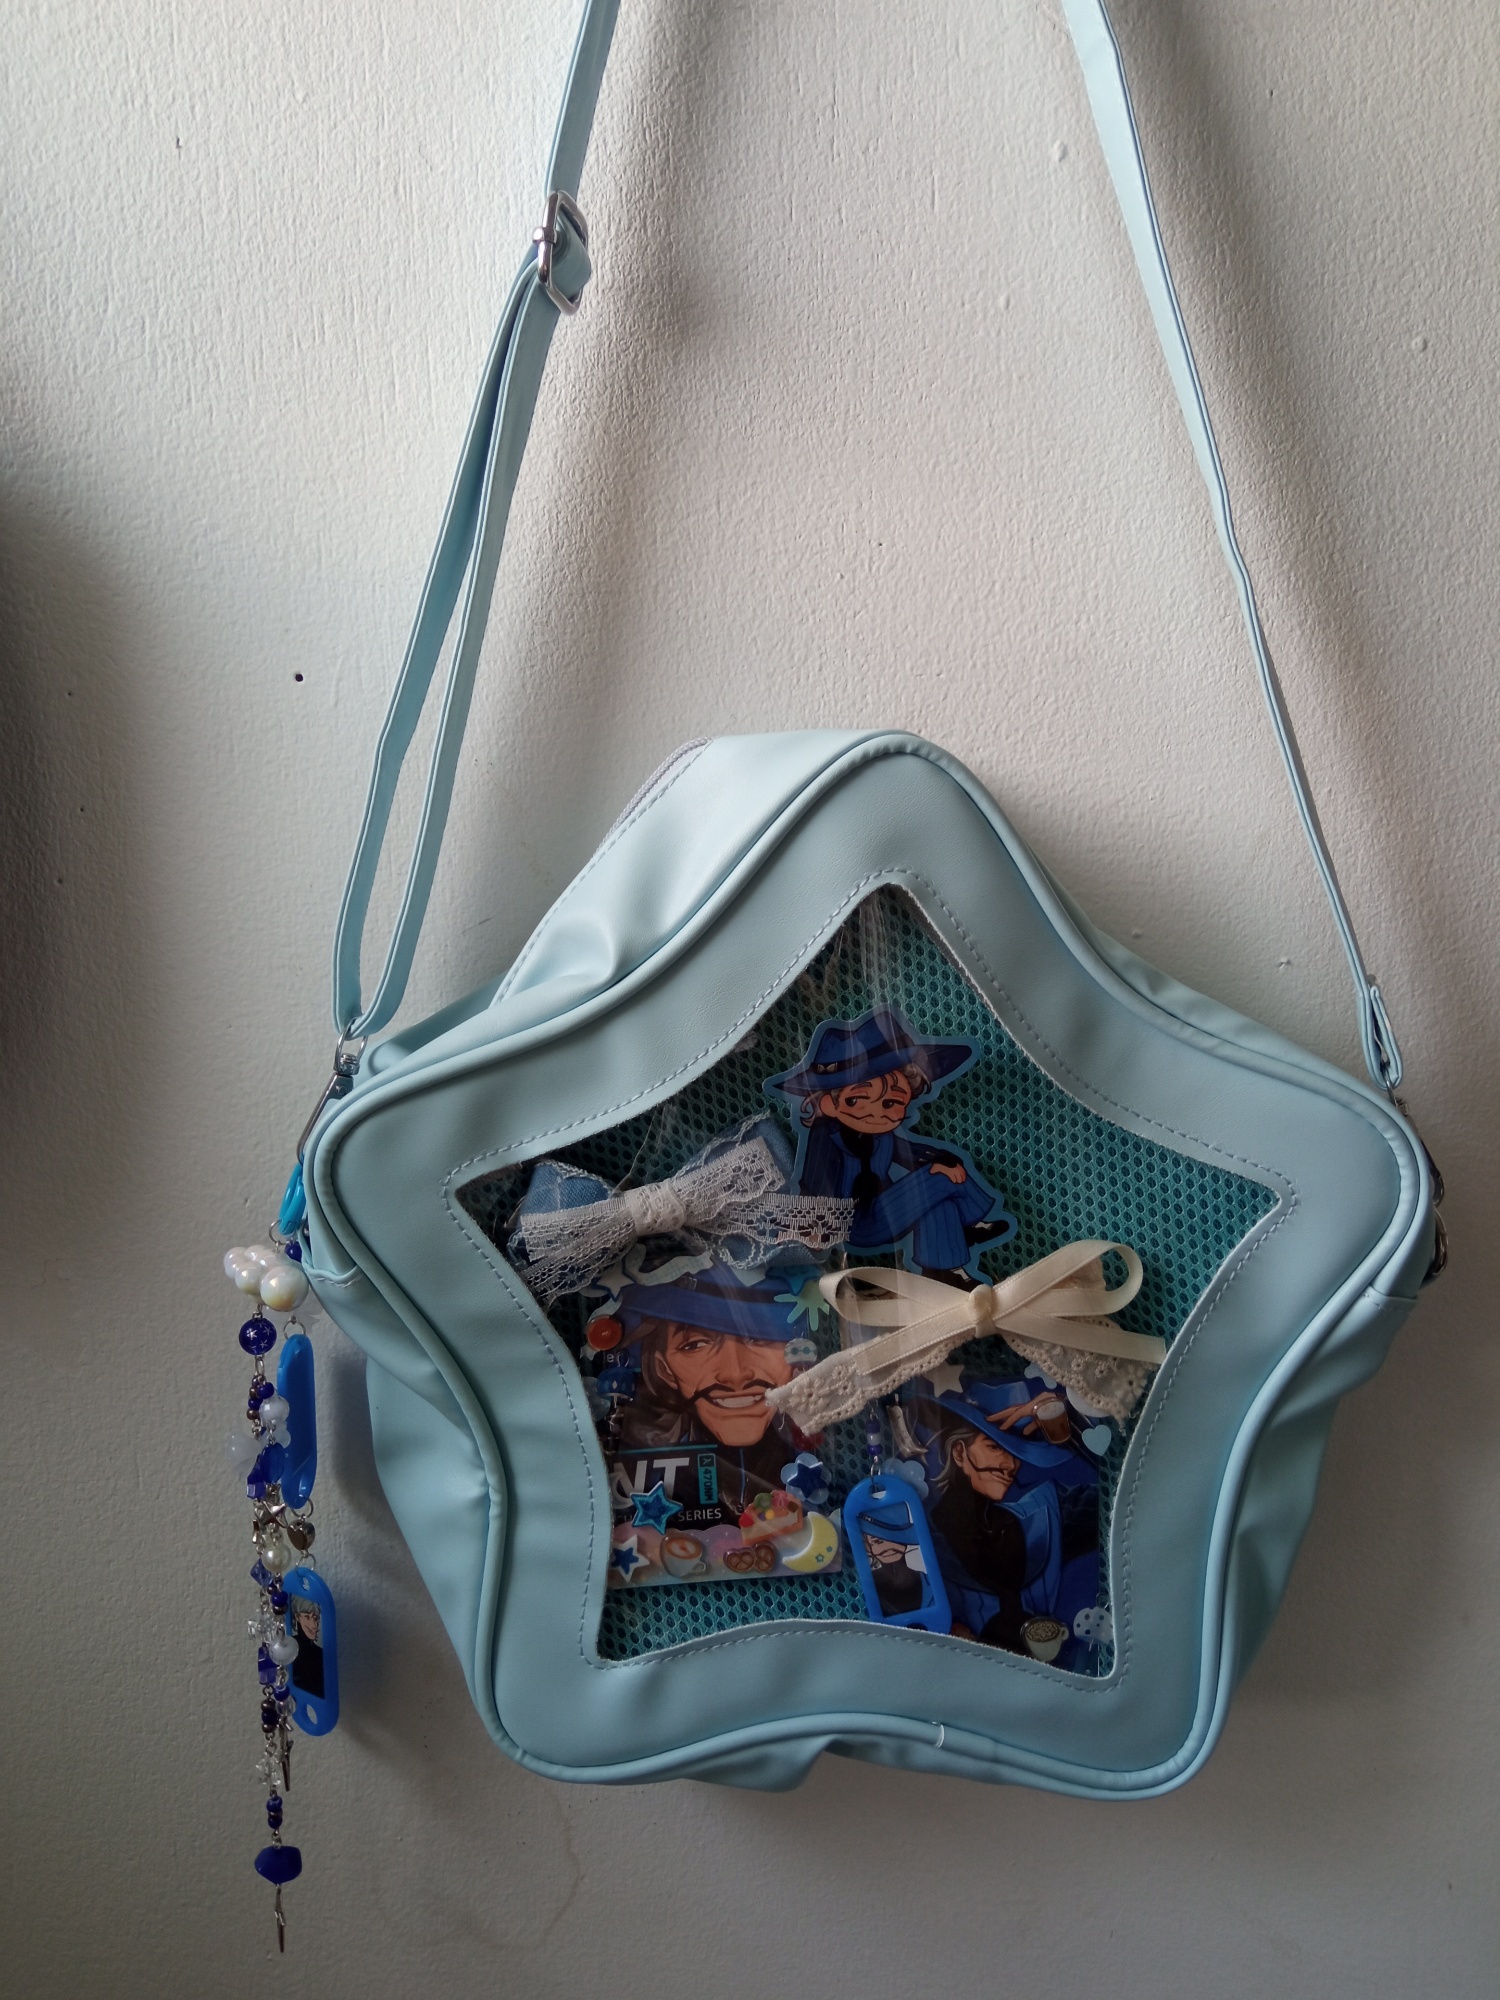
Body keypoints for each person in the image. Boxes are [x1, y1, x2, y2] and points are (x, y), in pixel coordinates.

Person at [768, 1006, 1015, 1282]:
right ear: (827, 1104)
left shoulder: (882, 1135)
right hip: (854, 1223)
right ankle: (971, 1223)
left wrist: (942, 1159)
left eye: (891, 1103)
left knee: (939, 1201)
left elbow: (909, 1152)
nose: (877, 1112)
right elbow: (815, 1179)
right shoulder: (825, 1136)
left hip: (885, 1210)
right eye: (856, 1100)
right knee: (940, 1179)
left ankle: (948, 1273)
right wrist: (809, 1226)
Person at [905, 1376, 1100, 1665]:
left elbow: (1109, 1491)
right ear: (959, 1453)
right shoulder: (916, 1529)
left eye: (1016, 1453)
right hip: (950, 1677)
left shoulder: (1046, 1512)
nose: (1011, 1465)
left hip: (1054, 1678)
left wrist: (1066, 1421)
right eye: (995, 1447)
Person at [607, 1268, 813, 1525]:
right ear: (663, 1369)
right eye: (695, 1344)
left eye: (760, 1338)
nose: (735, 1374)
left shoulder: (814, 1445)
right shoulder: (637, 1448)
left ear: (795, 1352)